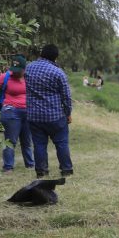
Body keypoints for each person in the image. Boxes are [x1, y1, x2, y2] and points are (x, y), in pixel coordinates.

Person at [0, 54, 34, 173]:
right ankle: (8, 167)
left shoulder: (29, 77)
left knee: (27, 141)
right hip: (11, 112)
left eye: (19, 70)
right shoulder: (5, 77)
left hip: (28, 112)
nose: (15, 73)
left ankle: (30, 164)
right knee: (10, 141)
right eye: (13, 69)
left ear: (25, 69)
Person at [25, 44, 74, 178]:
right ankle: (66, 170)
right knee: (61, 143)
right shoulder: (58, 72)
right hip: (55, 116)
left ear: (41, 54)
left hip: (34, 115)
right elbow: (66, 96)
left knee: (39, 144)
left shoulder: (28, 68)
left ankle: (41, 171)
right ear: (56, 57)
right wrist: (68, 113)